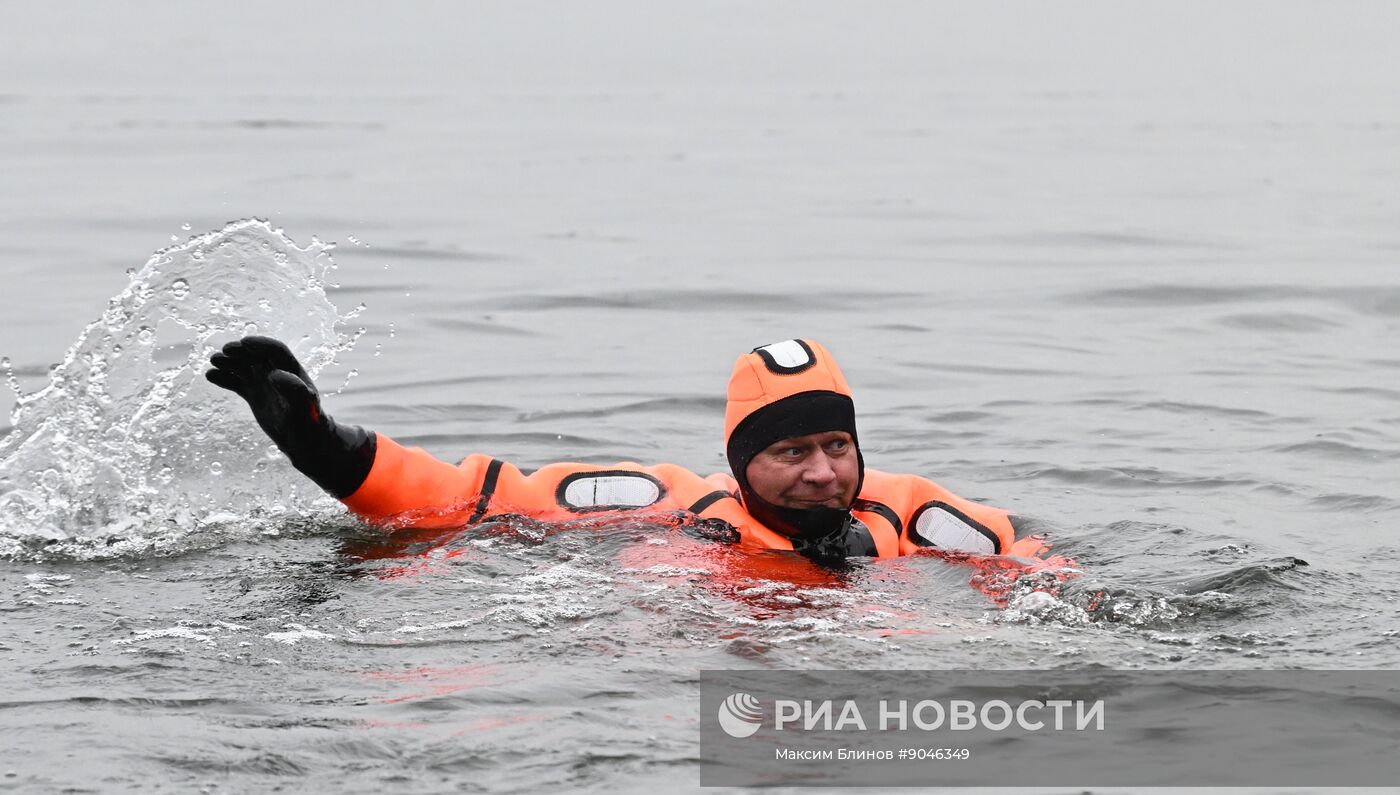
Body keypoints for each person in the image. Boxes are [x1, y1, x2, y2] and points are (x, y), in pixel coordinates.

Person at [207, 336, 1046, 563]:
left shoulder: (913, 515)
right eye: (792, 452)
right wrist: (322, 447)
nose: (824, 471)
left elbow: (1038, 568)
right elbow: (471, 496)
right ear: (741, 459)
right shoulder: (675, 507)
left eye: (837, 444)